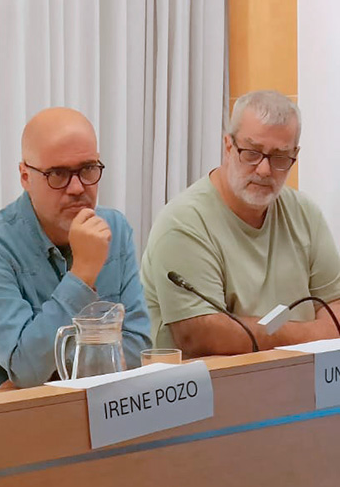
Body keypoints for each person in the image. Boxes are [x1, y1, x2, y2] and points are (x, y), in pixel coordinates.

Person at [0, 107, 151, 395]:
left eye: (88, 168)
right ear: (26, 176)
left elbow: (139, 346)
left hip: (90, 411)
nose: (77, 188)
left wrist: (49, 374)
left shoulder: (114, 229)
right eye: (58, 174)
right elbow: (27, 369)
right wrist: (82, 273)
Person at [141, 90, 340, 358]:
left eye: (280, 158)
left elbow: (336, 317)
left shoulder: (305, 214)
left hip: (302, 390)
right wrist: (312, 334)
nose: (264, 170)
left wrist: (251, 333)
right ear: (227, 146)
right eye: (252, 153)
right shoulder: (183, 223)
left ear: (295, 154)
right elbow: (202, 337)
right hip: (211, 393)